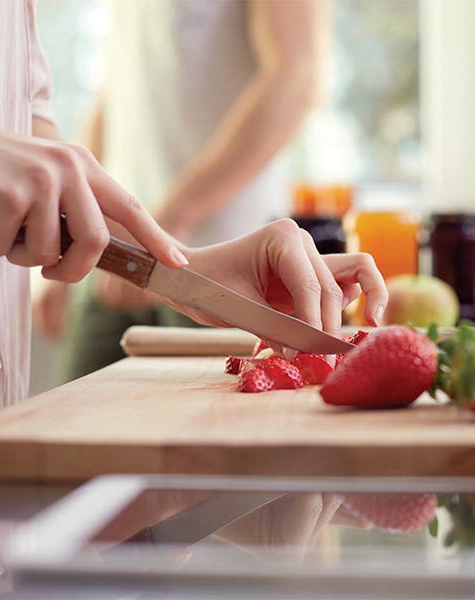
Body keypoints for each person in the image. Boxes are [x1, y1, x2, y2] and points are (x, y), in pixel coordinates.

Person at [0, 1, 387, 469]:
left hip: (152, 251)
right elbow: (97, 103)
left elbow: (297, 75)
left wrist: (170, 250)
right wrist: (109, 235)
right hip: (114, 254)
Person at [31, 0, 331, 382]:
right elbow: (116, 93)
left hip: (225, 269)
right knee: (67, 434)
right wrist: (64, 234)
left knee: (211, 436)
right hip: (113, 257)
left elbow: (297, 77)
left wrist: (166, 223)